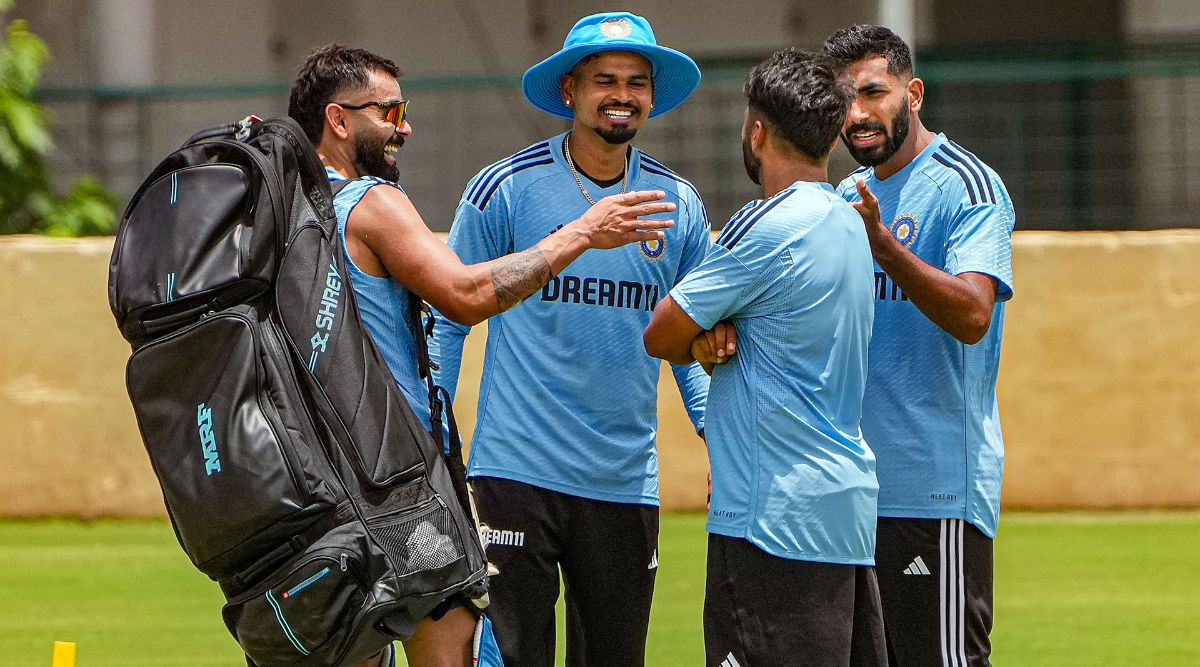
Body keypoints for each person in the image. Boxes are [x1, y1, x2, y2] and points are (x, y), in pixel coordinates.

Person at [287, 43, 677, 667]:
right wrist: (583, 231)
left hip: (316, 474)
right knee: (458, 651)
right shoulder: (375, 202)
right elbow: (464, 297)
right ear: (338, 120)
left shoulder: (288, 213)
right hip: (393, 474)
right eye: (390, 112)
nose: (404, 126)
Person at [428, 12, 713, 667]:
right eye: (604, 80)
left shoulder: (679, 204)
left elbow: (691, 344)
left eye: (636, 82)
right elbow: (448, 313)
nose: (622, 94)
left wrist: (720, 440)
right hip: (514, 474)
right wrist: (435, 434)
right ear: (570, 92)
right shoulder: (505, 189)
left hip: (622, 483)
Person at [644, 47, 886, 667]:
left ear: (756, 130)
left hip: (770, 522)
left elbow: (662, 333)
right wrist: (719, 328)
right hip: (844, 516)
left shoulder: (766, 224)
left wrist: (703, 332)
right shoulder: (848, 220)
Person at [823, 25, 1017, 667]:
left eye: (873, 92)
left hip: (932, 493)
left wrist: (885, 248)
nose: (857, 113)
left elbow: (972, 314)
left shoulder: (968, 186)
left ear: (914, 93)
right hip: (847, 494)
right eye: (842, 98)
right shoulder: (842, 198)